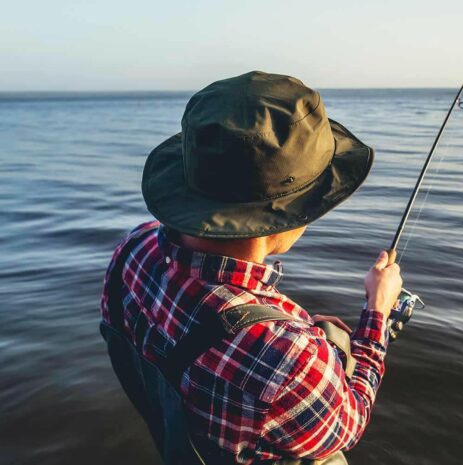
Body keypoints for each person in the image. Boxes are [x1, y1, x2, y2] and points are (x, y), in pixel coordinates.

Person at [100, 71, 402, 464]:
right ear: (292, 211)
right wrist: (377, 313)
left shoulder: (132, 249)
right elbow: (351, 421)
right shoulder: (289, 357)